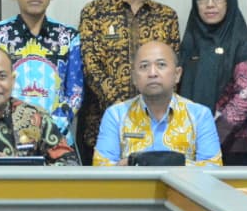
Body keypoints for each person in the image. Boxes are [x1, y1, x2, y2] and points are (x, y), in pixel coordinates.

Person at [78, 0, 181, 156]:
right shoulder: (94, 13)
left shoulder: (166, 16)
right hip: (105, 127)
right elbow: (91, 68)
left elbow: (172, 72)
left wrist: (149, 113)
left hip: (159, 128)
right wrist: (126, 112)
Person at [0, 0, 83, 147]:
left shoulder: (69, 36)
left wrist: (49, 130)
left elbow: (75, 92)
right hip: (5, 139)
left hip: (57, 140)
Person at [177, 0, 247, 166]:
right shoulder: (189, 42)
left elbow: (244, 102)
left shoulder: (243, 44)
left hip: (230, 148)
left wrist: (208, 139)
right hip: (187, 145)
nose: (210, 4)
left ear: (229, 0)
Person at [93, 41, 222, 167]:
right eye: (144, 66)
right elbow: (101, 168)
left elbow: (213, 168)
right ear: (134, 77)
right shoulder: (116, 116)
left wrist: (145, 162)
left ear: (177, 74)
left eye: (161, 65)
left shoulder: (199, 115)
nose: (152, 73)